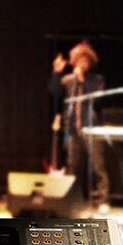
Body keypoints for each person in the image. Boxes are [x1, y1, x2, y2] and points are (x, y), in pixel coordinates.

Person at [48, 39, 110, 213]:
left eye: (85, 59)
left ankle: (102, 200)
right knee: (72, 167)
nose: (82, 62)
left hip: (92, 130)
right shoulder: (68, 80)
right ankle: (72, 200)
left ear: (90, 62)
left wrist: (82, 80)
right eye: (79, 59)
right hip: (71, 131)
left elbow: (96, 98)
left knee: (98, 166)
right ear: (74, 61)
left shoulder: (97, 80)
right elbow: (54, 91)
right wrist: (56, 73)